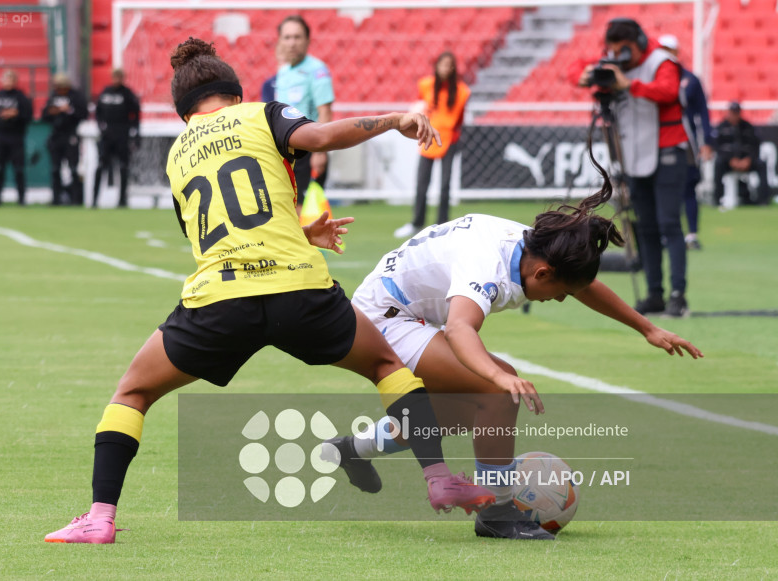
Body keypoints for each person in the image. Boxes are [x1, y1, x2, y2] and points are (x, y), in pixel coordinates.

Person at [44, 37, 494, 544]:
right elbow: (320, 138)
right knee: (386, 366)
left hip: (220, 301)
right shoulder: (261, 114)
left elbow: (217, 234)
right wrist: (394, 119)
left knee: (133, 391)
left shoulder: (178, 155)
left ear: (184, 110)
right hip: (299, 290)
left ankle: (100, 517)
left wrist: (296, 232)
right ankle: (438, 480)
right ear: (234, 94)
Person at [325, 152, 703, 541]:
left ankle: (353, 448)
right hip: (383, 318)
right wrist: (495, 376)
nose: (560, 300)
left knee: (468, 409)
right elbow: (459, 329)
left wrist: (646, 329)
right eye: (560, 293)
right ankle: (498, 512)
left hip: (403, 310)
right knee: (497, 390)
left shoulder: (535, 247)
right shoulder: (487, 267)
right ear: (543, 273)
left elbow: (583, 285)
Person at [569, 18, 690, 318]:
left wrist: (630, 84)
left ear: (637, 42)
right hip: (634, 155)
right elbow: (580, 71)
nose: (622, 55)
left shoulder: (662, 61)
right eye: (614, 50)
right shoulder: (614, 63)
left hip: (666, 150)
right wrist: (584, 76)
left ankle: (678, 294)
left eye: (625, 50)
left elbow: (668, 91)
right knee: (645, 227)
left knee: (669, 224)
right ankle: (654, 294)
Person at [394, 52, 471, 239]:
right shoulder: (425, 85)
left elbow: (459, 119)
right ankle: (416, 222)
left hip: (448, 139)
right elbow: (422, 107)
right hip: (427, 137)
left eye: (449, 65)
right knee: (422, 182)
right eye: (442, 64)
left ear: (453, 68)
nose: (445, 68)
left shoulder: (462, 91)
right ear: (436, 66)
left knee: (445, 185)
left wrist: (453, 137)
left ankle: (443, 225)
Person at [658, 34, 713, 250]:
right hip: (660, 141)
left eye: (668, 49)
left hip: (686, 140)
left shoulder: (690, 79)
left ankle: (691, 234)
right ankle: (665, 234)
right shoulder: (653, 79)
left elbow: (703, 112)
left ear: (676, 52)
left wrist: (706, 141)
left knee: (689, 188)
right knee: (662, 189)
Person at [274, 15, 334, 212]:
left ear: (308, 40)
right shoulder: (283, 72)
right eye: (287, 37)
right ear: (280, 40)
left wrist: (320, 151)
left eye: (297, 37)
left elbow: (324, 111)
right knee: (285, 210)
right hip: (284, 151)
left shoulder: (317, 70)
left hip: (306, 150)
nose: (292, 43)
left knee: (303, 212)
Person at [0, 69, 32, 206]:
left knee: (18, 169)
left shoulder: (21, 97)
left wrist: (15, 115)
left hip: (16, 137)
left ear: (15, 81)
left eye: (10, 79)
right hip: (0, 137)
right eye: (5, 79)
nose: (8, 82)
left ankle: (22, 199)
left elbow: (28, 116)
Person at [93, 68, 141, 208]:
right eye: (115, 77)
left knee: (123, 167)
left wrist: (134, 132)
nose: (117, 80)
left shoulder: (127, 94)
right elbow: (98, 112)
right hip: (107, 136)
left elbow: (136, 114)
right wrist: (101, 127)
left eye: (119, 77)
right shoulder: (105, 92)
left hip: (122, 134)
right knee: (101, 166)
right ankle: (94, 199)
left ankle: (122, 200)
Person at [41, 73, 88, 205]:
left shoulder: (76, 96)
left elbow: (83, 114)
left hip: (71, 135)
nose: (59, 89)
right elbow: (44, 115)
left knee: (73, 168)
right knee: (55, 168)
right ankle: (56, 199)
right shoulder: (54, 96)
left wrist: (69, 110)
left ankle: (76, 199)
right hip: (56, 136)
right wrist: (54, 112)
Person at [712, 101, 771, 207]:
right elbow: (718, 148)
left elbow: (755, 146)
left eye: (737, 113)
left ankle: (763, 200)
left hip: (746, 161)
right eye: (732, 112)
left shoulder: (748, 127)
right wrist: (730, 159)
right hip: (728, 162)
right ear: (728, 112)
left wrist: (748, 159)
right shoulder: (721, 127)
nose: (735, 115)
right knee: (718, 163)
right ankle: (717, 199)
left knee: (762, 164)